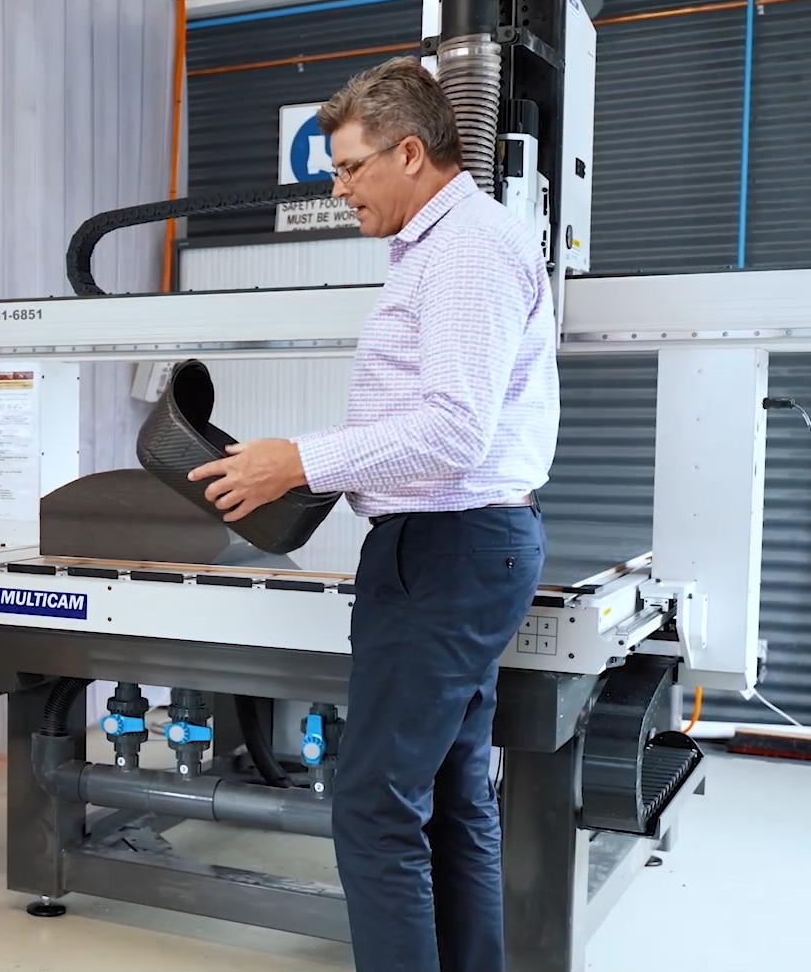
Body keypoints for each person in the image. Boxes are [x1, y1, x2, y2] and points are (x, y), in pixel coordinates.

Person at [188, 56, 557, 972]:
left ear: (408, 152)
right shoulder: (445, 246)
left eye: (349, 168)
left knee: (372, 801)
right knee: (448, 790)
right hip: (451, 547)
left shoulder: (467, 248)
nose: (337, 187)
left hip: (447, 550)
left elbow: (451, 431)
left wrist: (300, 460)